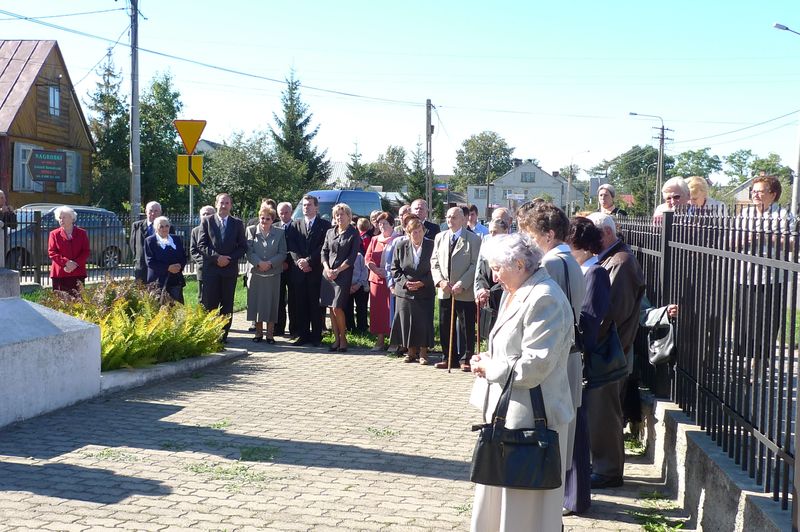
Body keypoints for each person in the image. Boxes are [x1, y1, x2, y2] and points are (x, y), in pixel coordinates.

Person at [468, 233, 574, 532]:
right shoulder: (518, 290)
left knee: (524, 510)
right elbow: (512, 346)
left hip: (531, 420)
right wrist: (488, 357)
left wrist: (491, 367)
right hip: (510, 416)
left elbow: (534, 366)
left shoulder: (544, 297)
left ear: (518, 264)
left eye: (497, 268)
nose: (494, 276)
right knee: (502, 502)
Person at [517, 201, 587, 516]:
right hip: (568, 356)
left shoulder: (552, 263)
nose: (527, 242)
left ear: (547, 234)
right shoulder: (568, 258)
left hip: (556, 360)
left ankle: (547, 510)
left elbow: (546, 315)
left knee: (554, 437)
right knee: (564, 435)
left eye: (530, 234)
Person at [585, 212, 646, 489]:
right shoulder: (611, 259)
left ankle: (608, 471)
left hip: (612, 351)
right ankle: (602, 466)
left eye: (593, 234)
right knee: (600, 412)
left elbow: (614, 313)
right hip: (608, 349)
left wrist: (590, 337)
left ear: (607, 233)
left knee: (607, 413)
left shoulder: (621, 262)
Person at [564, 216, 612, 515]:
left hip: (581, 359)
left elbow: (590, 322)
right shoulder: (580, 270)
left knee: (578, 431)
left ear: (579, 244)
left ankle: (576, 497)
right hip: (572, 356)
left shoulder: (595, 273)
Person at [431, 206, 482, 370]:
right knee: (445, 324)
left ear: (462, 219)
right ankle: (448, 357)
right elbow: (434, 262)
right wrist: (440, 281)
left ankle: (466, 359)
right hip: (445, 290)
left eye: (453, 217)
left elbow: (475, 264)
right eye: (448, 217)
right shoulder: (440, 237)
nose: (449, 220)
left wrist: (462, 283)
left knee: (466, 325)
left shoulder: (473, 239)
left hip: (464, 291)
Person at [198, 193, 248, 343]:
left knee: (227, 304)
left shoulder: (237, 223)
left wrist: (229, 259)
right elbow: (201, 245)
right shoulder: (207, 221)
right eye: (221, 203)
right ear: (216, 204)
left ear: (230, 205)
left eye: (227, 203)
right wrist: (217, 258)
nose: (224, 206)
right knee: (210, 304)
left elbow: (243, 247)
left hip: (229, 270)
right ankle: (210, 335)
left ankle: (223, 336)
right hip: (211, 271)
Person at [287, 194, 332, 347]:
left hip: (315, 270)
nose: (306, 207)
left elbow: (323, 246)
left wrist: (309, 261)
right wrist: (299, 261)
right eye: (304, 205)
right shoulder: (295, 224)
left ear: (316, 207)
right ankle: (303, 335)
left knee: (315, 305)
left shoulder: (325, 225)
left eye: (309, 205)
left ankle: (316, 336)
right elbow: (292, 245)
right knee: (300, 304)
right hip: (299, 271)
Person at [390, 216, 436, 364]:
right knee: (406, 322)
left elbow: (437, 267)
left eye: (419, 231)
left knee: (423, 322)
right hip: (405, 291)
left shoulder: (432, 246)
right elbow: (394, 268)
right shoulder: (401, 246)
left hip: (425, 290)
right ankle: (410, 352)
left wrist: (423, 282)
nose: (417, 235)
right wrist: (405, 283)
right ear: (408, 233)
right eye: (413, 232)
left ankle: (423, 353)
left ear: (423, 231)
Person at [245, 205, 287, 344]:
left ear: (272, 220)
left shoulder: (280, 233)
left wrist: (270, 263)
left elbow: (282, 253)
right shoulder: (251, 230)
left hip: (273, 274)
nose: (264, 221)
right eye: (262, 218)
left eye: (267, 219)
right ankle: (258, 333)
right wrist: (258, 263)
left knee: (272, 303)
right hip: (256, 273)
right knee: (256, 303)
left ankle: (270, 334)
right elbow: (249, 251)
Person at [321, 203, 360, 352]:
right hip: (328, 274)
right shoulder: (330, 232)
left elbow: (351, 257)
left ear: (349, 216)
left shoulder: (353, 233)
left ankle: (343, 338)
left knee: (337, 307)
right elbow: (324, 252)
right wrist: (327, 269)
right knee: (331, 308)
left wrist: (337, 270)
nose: (339, 217)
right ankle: (336, 339)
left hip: (343, 274)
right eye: (336, 215)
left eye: (342, 214)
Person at [365, 212, 396, 351]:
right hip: (376, 280)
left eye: (385, 223)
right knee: (378, 311)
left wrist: (388, 272)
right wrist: (376, 269)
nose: (382, 226)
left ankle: (394, 341)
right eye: (380, 223)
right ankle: (380, 340)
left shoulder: (398, 239)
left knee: (391, 311)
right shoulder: (374, 239)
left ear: (392, 224)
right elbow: (368, 258)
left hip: (392, 281)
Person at [474, 219, 509, 336]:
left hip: (504, 301)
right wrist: (482, 289)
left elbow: (509, 277)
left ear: (506, 231)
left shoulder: (511, 252)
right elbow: (481, 272)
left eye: (495, 232)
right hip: (489, 303)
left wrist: (491, 292)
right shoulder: (487, 248)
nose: (492, 235)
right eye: (490, 232)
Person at [144, 216, 187, 304]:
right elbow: (150, 261)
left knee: (177, 307)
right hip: (158, 281)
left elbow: (184, 256)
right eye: (161, 226)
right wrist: (168, 267)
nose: (164, 229)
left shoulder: (176, 239)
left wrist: (179, 266)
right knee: (160, 307)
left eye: (167, 226)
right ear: (156, 228)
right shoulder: (150, 241)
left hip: (175, 279)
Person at [48, 206, 90, 294]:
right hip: (60, 273)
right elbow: (52, 252)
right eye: (59, 218)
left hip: (78, 272)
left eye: (64, 217)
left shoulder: (82, 233)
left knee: (78, 298)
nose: (61, 220)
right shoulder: (54, 234)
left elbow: (86, 251)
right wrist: (66, 262)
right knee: (61, 299)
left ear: (72, 218)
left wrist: (75, 264)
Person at [131, 201, 172, 283]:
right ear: (146, 211)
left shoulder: (167, 227)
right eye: (150, 211)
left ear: (160, 212)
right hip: (141, 267)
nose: (153, 213)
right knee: (141, 290)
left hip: (160, 267)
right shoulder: (137, 226)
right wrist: (137, 260)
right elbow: (133, 245)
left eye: (156, 211)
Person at [275, 201, 295, 337]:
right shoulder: (274, 227)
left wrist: (288, 262)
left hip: (293, 268)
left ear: (291, 212)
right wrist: (280, 262)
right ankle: (278, 328)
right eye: (281, 213)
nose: (284, 215)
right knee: (278, 299)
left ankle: (294, 329)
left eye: (286, 212)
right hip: (278, 268)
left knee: (294, 300)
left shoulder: (297, 226)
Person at [190, 205, 216, 303]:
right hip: (203, 270)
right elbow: (193, 251)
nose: (205, 216)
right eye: (203, 214)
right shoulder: (195, 231)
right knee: (203, 299)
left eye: (208, 214)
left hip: (218, 269)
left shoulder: (219, 230)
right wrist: (207, 261)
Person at [345, 251, 369, 333]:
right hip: (346, 286)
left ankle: (362, 327)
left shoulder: (359, 256)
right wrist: (347, 286)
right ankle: (350, 327)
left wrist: (358, 284)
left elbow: (364, 271)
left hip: (359, 285)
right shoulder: (342, 256)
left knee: (361, 307)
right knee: (347, 308)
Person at [0, 189, 17, 255]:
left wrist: (12, 213)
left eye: (4, 198)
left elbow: (14, 226)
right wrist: (1, 213)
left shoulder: (6, 210)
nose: (4, 200)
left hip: (3, 239)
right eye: (1, 198)